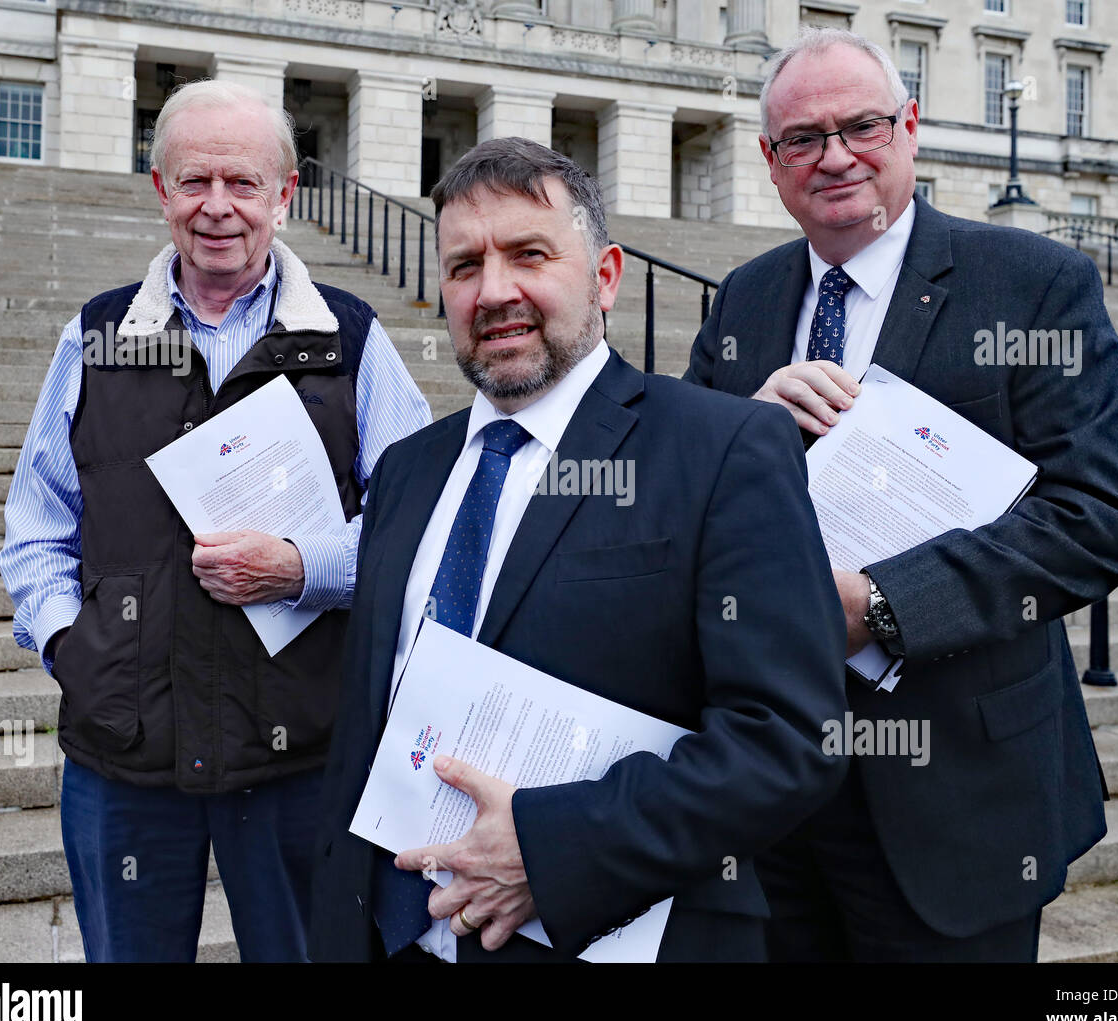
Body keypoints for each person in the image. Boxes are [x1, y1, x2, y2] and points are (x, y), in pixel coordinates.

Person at [308, 137, 849, 963]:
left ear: (605, 276)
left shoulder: (724, 447)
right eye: (463, 266)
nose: (494, 291)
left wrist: (552, 850)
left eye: (529, 254)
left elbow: (789, 739)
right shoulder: (409, 469)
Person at [684, 26, 1118, 962]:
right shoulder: (740, 301)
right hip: (770, 795)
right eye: (804, 140)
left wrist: (882, 605)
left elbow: (1094, 518)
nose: (837, 156)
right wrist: (741, 430)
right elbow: (679, 507)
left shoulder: (1034, 284)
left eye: (862, 125)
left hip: (962, 797)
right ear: (771, 163)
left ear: (911, 127)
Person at [0, 80, 431, 962]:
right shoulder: (98, 334)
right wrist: (69, 650)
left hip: (298, 755)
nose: (218, 208)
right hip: (126, 755)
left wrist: (304, 566)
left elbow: (416, 525)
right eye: (195, 182)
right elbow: (37, 527)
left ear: (285, 194)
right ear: (161, 190)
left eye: (243, 183)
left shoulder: (351, 339)